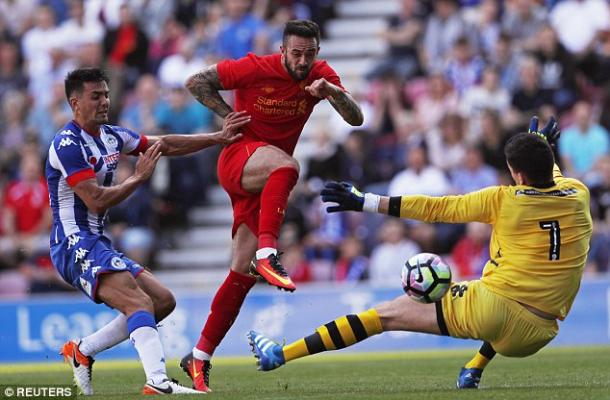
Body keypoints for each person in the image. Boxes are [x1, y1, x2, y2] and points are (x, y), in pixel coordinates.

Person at [248, 116, 592, 390]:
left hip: (493, 312)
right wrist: (543, 147)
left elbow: (435, 207)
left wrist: (365, 201)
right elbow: (552, 177)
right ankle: (474, 369)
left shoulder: (503, 200)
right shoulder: (578, 195)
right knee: (493, 283)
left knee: (382, 316)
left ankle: (280, 354)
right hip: (540, 332)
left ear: (516, 174)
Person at [180, 19, 363, 392]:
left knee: (240, 276)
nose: (302, 60)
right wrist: (224, 115)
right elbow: (196, 81)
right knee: (288, 164)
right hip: (239, 159)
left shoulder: (320, 75)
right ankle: (268, 251)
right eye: (296, 53)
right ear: (282, 50)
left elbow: (355, 118)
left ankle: (198, 357)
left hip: (265, 179)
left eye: (309, 54)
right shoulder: (253, 67)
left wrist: (331, 92)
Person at [48, 68, 249, 395]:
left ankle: (82, 350)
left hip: (96, 240)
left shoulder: (111, 136)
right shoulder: (67, 144)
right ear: (75, 103)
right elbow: (96, 201)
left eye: (106, 94)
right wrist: (138, 178)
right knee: (139, 303)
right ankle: (157, 381)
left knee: (161, 301)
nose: (104, 101)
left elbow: (163, 144)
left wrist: (217, 138)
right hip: (73, 244)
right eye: (95, 96)